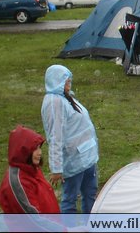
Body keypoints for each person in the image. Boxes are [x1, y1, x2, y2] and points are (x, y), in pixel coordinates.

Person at [41, 64, 99, 213]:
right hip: (74, 160)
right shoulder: (54, 103)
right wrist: (56, 168)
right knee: (70, 200)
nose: (69, 84)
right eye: (65, 81)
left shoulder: (65, 98)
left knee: (90, 194)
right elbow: (55, 136)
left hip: (86, 157)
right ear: (56, 81)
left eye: (69, 80)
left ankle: (90, 227)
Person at [0, 125, 60, 213]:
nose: (40, 153)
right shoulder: (18, 182)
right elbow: (33, 218)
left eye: (39, 148)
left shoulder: (31, 168)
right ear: (23, 151)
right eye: (35, 149)